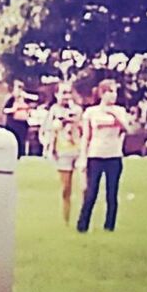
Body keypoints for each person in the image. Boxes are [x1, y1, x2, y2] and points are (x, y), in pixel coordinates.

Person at [75, 79, 135, 233]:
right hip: (95, 155)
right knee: (91, 192)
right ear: (102, 93)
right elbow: (86, 136)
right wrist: (83, 157)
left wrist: (115, 114)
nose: (113, 95)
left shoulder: (120, 111)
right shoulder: (91, 112)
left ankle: (109, 226)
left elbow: (129, 129)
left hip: (114, 156)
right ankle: (83, 225)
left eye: (115, 91)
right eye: (110, 91)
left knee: (112, 193)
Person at [39, 82, 84, 223]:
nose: (66, 96)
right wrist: (49, 145)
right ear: (56, 94)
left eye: (69, 93)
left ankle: (83, 217)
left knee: (85, 187)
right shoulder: (53, 111)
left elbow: (83, 127)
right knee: (66, 188)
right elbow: (45, 131)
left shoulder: (77, 110)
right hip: (63, 151)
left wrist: (74, 120)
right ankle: (66, 219)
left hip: (78, 151)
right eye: (63, 93)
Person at [3, 79, 37, 158]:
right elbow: (5, 110)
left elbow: (36, 99)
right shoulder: (11, 99)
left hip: (23, 125)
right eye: (18, 87)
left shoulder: (25, 99)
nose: (20, 89)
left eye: (21, 87)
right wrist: (14, 109)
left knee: (22, 142)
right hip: (13, 124)